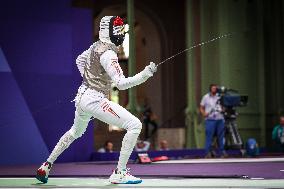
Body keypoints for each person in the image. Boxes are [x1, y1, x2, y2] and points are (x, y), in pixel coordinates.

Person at [36, 16, 157, 184]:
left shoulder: (96, 46)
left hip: (81, 96)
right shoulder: (109, 54)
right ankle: (120, 173)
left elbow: (79, 60)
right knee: (135, 125)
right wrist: (145, 75)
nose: (121, 33)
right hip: (94, 99)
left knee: (75, 132)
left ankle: (46, 165)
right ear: (110, 31)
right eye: (118, 30)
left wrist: (90, 79)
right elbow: (121, 84)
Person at [200, 84, 227, 158]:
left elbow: (224, 106)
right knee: (209, 136)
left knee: (221, 136)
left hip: (220, 119)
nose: (214, 89)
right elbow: (201, 107)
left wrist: (223, 109)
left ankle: (222, 152)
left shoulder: (220, 96)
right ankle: (207, 152)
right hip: (210, 119)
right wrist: (204, 113)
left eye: (216, 88)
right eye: (213, 88)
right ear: (210, 89)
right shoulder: (205, 97)